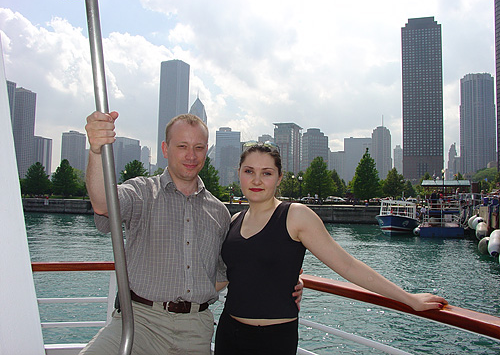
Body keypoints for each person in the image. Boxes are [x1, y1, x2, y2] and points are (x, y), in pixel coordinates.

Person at [82, 111, 302, 355]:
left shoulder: (219, 212)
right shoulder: (141, 192)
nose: (191, 155)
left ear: (206, 152)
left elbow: (230, 269)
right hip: (139, 321)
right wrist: (96, 150)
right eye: (182, 146)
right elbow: (103, 203)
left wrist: (283, 280)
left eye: (198, 147)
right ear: (165, 149)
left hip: (195, 329)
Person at [214, 142, 448, 355]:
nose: (256, 180)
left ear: (279, 178)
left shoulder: (295, 216)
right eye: (249, 171)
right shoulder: (234, 221)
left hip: (274, 339)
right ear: (239, 174)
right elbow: (226, 277)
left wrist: (408, 298)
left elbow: (347, 265)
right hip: (229, 334)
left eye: (266, 173)